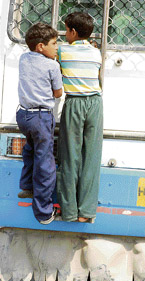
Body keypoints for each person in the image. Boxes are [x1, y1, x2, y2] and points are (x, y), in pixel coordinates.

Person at [57, 12, 103, 223]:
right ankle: (86, 212)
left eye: (66, 30)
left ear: (73, 32)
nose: (65, 34)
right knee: (91, 158)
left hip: (75, 102)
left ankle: (68, 211)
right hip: (95, 103)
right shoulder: (96, 53)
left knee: (70, 157)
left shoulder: (62, 50)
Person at [17, 22, 63, 224]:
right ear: (40, 47)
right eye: (53, 43)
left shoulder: (23, 58)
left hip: (23, 116)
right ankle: (44, 213)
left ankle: (26, 186)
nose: (57, 48)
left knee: (30, 149)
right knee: (45, 163)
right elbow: (58, 92)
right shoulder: (52, 65)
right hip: (40, 117)